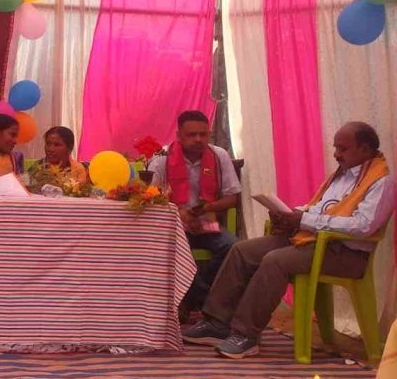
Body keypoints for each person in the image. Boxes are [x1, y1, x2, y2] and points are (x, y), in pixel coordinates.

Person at [183, 122, 395, 359]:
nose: (336, 154)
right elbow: (320, 209)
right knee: (241, 250)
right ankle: (217, 323)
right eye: (336, 148)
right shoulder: (342, 175)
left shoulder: (382, 182)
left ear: (365, 149)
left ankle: (246, 334)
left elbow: (363, 226)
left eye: (342, 149)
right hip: (312, 241)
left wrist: (304, 220)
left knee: (275, 260)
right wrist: (290, 214)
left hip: (345, 253)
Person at [149, 110, 241, 316]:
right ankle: (207, 300)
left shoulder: (219, 156)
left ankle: (192, 298)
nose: (198, 139)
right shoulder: (161, 159)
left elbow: (232, 198)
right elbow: (151, 199)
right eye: (192, 135)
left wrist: (204, 209)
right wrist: (180, 214)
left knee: (233, 247)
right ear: (178, 135)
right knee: (175, 250)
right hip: (174, 227)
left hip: (207, 222)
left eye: (203, 134)